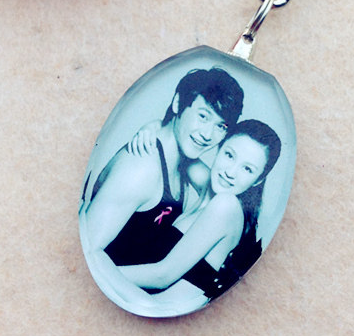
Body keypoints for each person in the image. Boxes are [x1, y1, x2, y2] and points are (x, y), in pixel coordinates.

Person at [80, 67, 244, 273]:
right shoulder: (142, 168)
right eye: (203, 116)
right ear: (178, 103)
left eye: (221, 126)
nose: (207, 134)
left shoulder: (182, 163)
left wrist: (155, 124)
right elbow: (87, 252)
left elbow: (227, 190)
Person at [116, 119, 281, 305]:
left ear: (258, 180)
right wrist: (150, 127)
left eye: (247, 169)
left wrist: (101, 268)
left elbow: (162, 276)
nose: (231, 172)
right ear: (219, 148)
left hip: (153, 308)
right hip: (137, 300)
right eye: (229, 155)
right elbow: (176, 143)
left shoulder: (226, 205)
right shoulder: (207, 185)